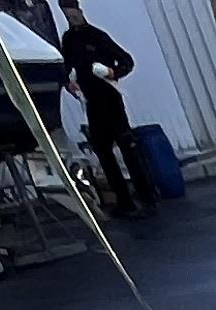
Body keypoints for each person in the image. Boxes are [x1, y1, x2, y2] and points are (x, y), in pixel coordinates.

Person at [57, 0, 149, 216]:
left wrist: (112, 72)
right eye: (67, 15)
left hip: (110, 99)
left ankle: (146, 198)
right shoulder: (69, 40)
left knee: (127, 147)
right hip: (91, 102)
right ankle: (124, 201)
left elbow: (126, 61)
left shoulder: (97, 36)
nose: (72, 17)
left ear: (80, 11)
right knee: (103, 152)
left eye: (73, 13)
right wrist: (70, 82)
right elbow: (66, 66)